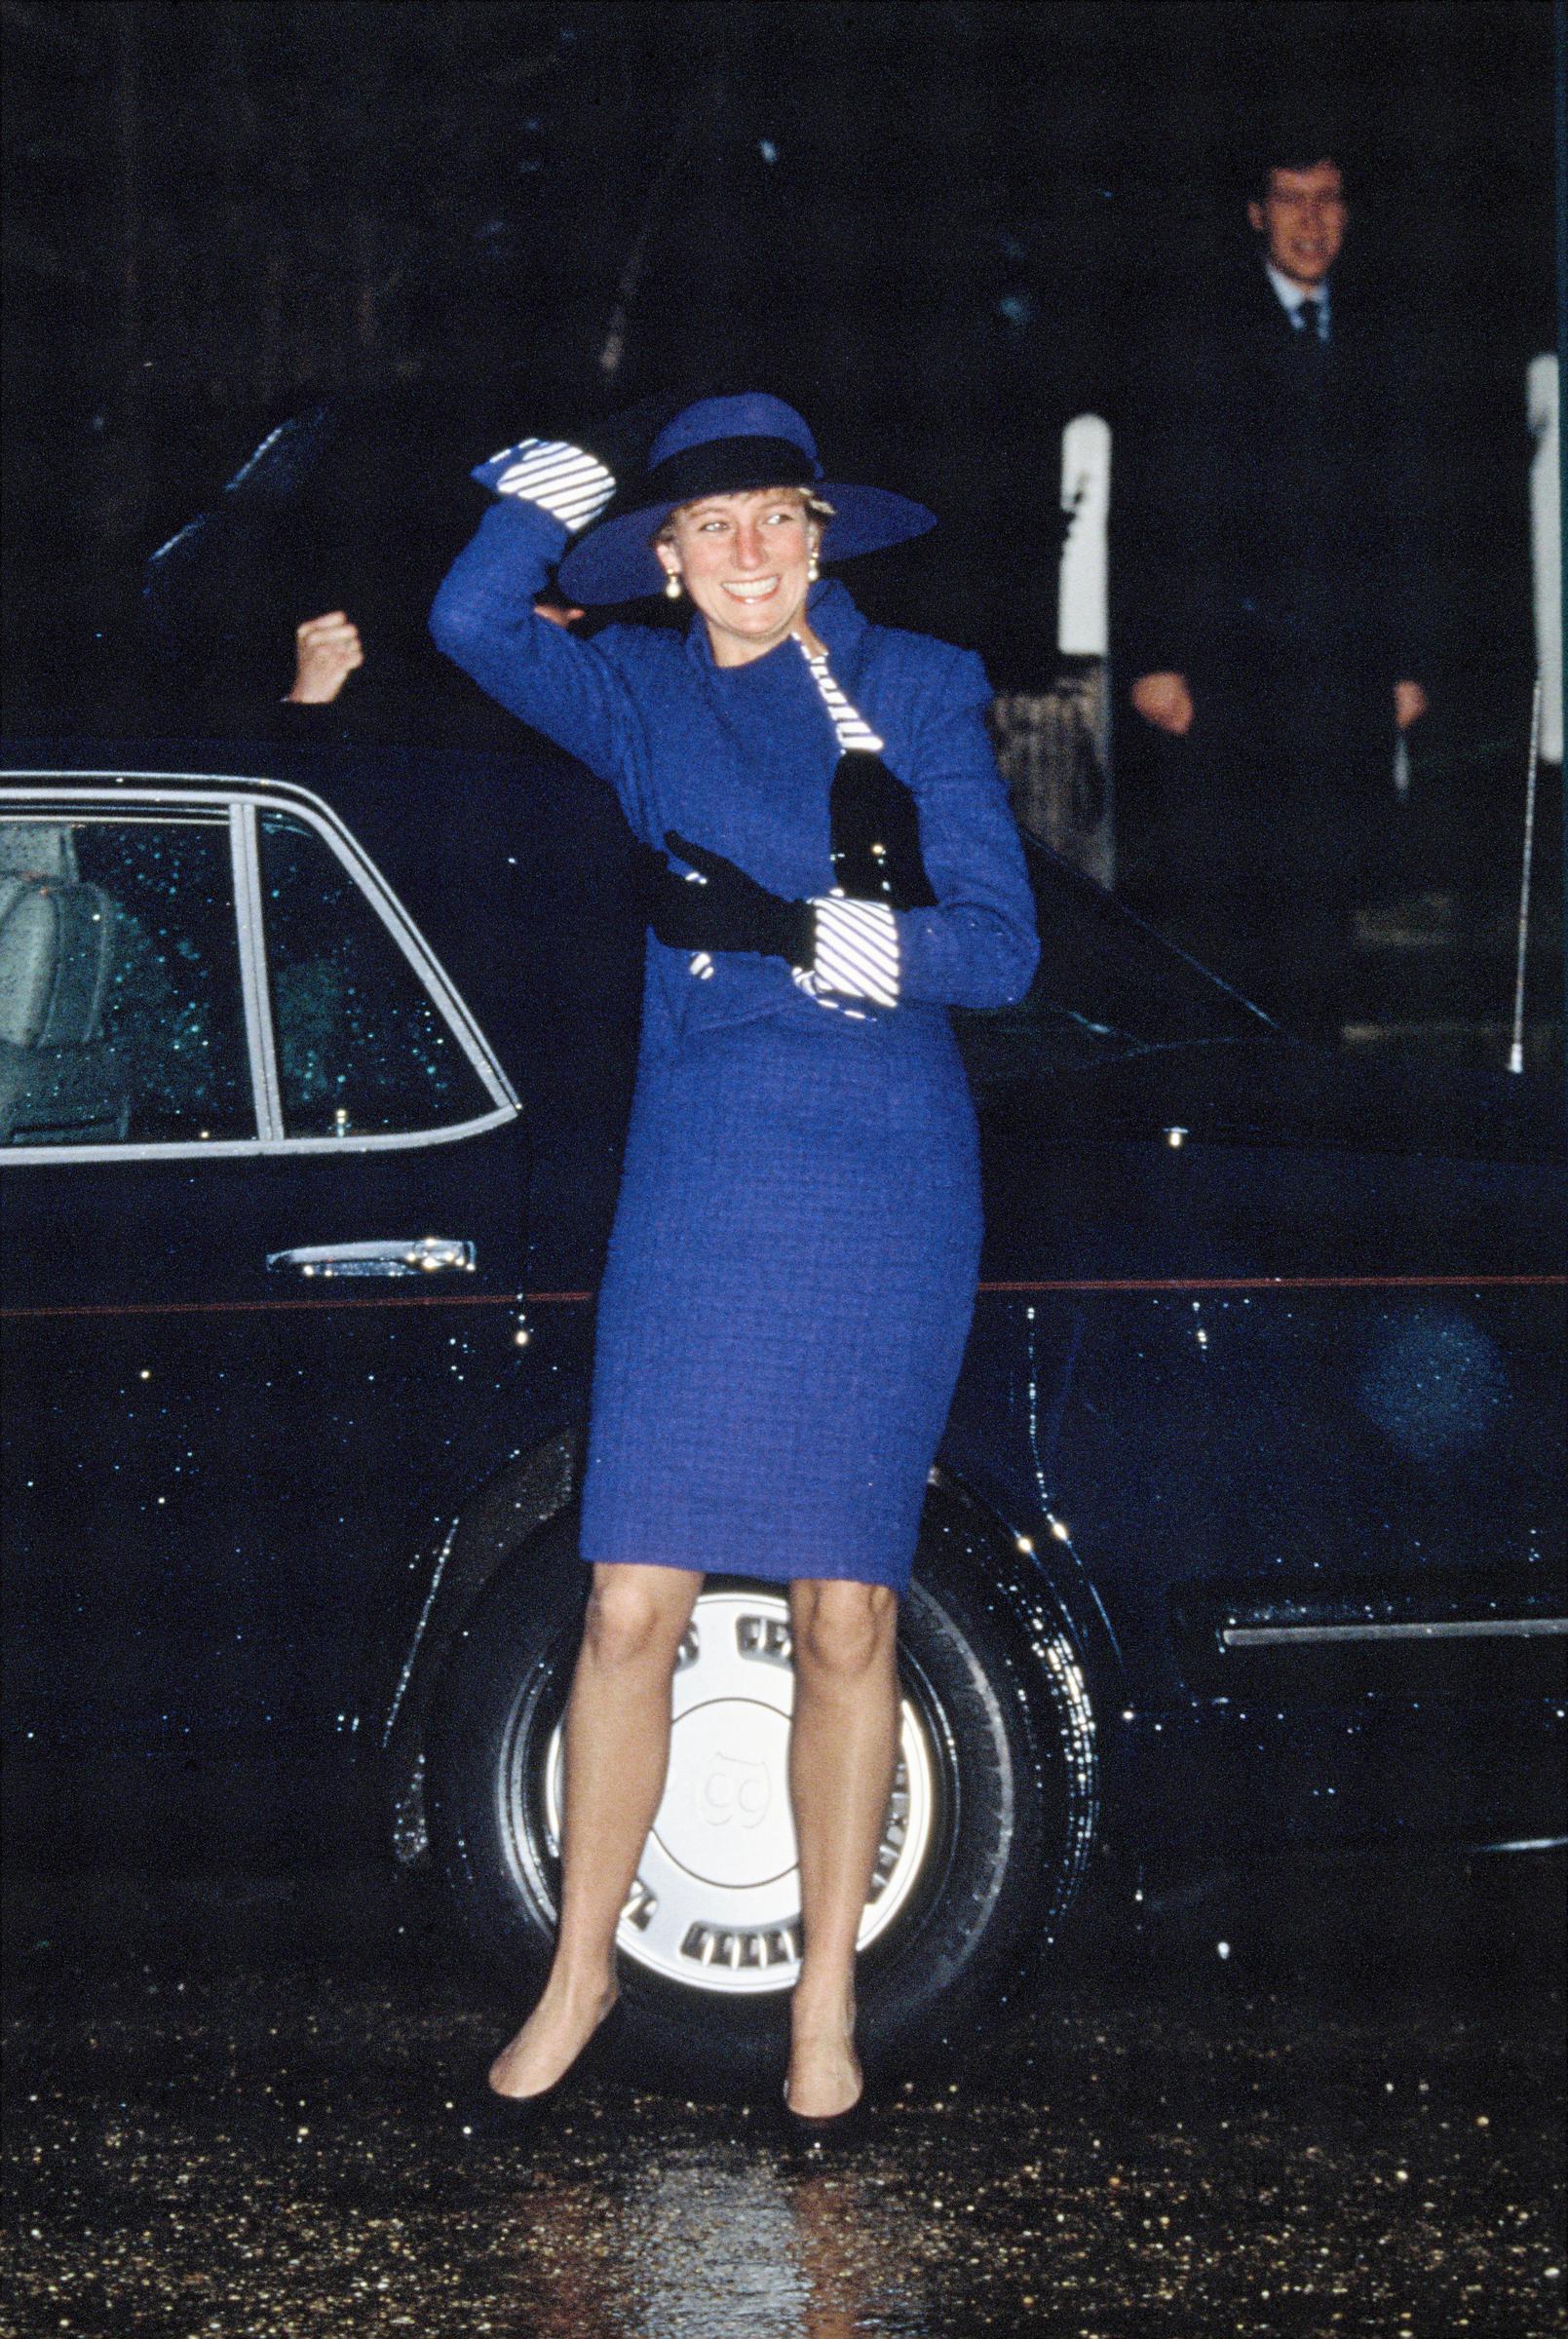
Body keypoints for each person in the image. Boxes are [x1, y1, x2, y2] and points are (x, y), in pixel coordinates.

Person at [428, 392, 1039, 2131]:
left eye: (778, 516)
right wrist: (546, 491)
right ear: (669, 559)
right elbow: (470, 621)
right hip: (703, 1177)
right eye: (713, 527)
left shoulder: (914, 685)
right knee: (630, 1602)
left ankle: (821, 1997)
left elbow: (994, 951)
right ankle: (581, 1965)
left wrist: (801, 930)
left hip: (880, 1179)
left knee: (849, 1613)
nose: (751, 552)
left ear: (818, 532)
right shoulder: (631, 692)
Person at [1118, 126, 1433, 1043]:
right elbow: (1148, 509)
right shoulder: (1197, 336)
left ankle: (1315, 1105)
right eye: (1290, 199)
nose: (1310, 221)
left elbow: (1418, 512)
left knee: (1325, 916)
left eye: (1326, 199)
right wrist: (1153, 659)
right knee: (1232, 916)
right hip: (1227, 673)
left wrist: (1411, 662)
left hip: (1345, 674)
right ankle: (1236, 1110)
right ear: (1256, 214)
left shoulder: (1381, 338)